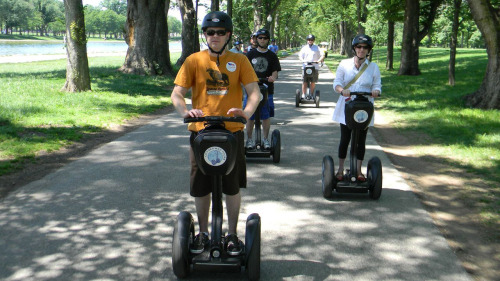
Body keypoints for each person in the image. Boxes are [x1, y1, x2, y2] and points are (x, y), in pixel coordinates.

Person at [171, 11, 261, 256]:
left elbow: (255, 93)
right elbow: (177, 94)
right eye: (211, 32)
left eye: (221, 32)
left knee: (232, 186)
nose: (216, 36)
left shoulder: (240, 60)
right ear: (205, 35)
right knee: (201, 186)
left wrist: (246, 112)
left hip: (231, 132)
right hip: (201, 133)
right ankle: (202, 233)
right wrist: (186, 112)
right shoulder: (194, 61)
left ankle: (231, 234)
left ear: (228, 35)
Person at [331, 34, 381, 182]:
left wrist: (376, 91)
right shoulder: (344, 64)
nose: (361, 50)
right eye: (359, 47)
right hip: (347, 106)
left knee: (361, 140)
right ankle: (340, 169)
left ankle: (358, 170)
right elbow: (337, 82)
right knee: (345, 139)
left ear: (368, 50)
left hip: (364, 108)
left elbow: (377, 84)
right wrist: (341, 90)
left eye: (364, 47)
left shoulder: (373, 67)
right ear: (354, 48)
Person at [244, 28, 281, 150]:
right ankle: (249, 140)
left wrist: (272, 77)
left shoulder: (272, 55)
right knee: (250, 116)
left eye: (265, 38)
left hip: (267, 90)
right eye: (260, 38)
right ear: (256, 39)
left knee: (266, 116)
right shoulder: (250, 54)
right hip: (251, 90)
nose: (262, 40)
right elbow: (243, 71)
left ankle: (265, 139)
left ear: (268, 40)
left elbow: (275, 71)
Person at [298, 34, 324, 99]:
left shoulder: (317, 48)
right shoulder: (304, 48)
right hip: (305, 66)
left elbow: (322, 55)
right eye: (309, 40)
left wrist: (318, 61)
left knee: (313, 81)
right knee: (304, 81)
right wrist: (303, 60)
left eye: (311, 40)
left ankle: (312, 94)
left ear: (313, 40)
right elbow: (300, 56)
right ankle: (303, 94)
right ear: (307, 40)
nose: (310, 41)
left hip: (314, 67)